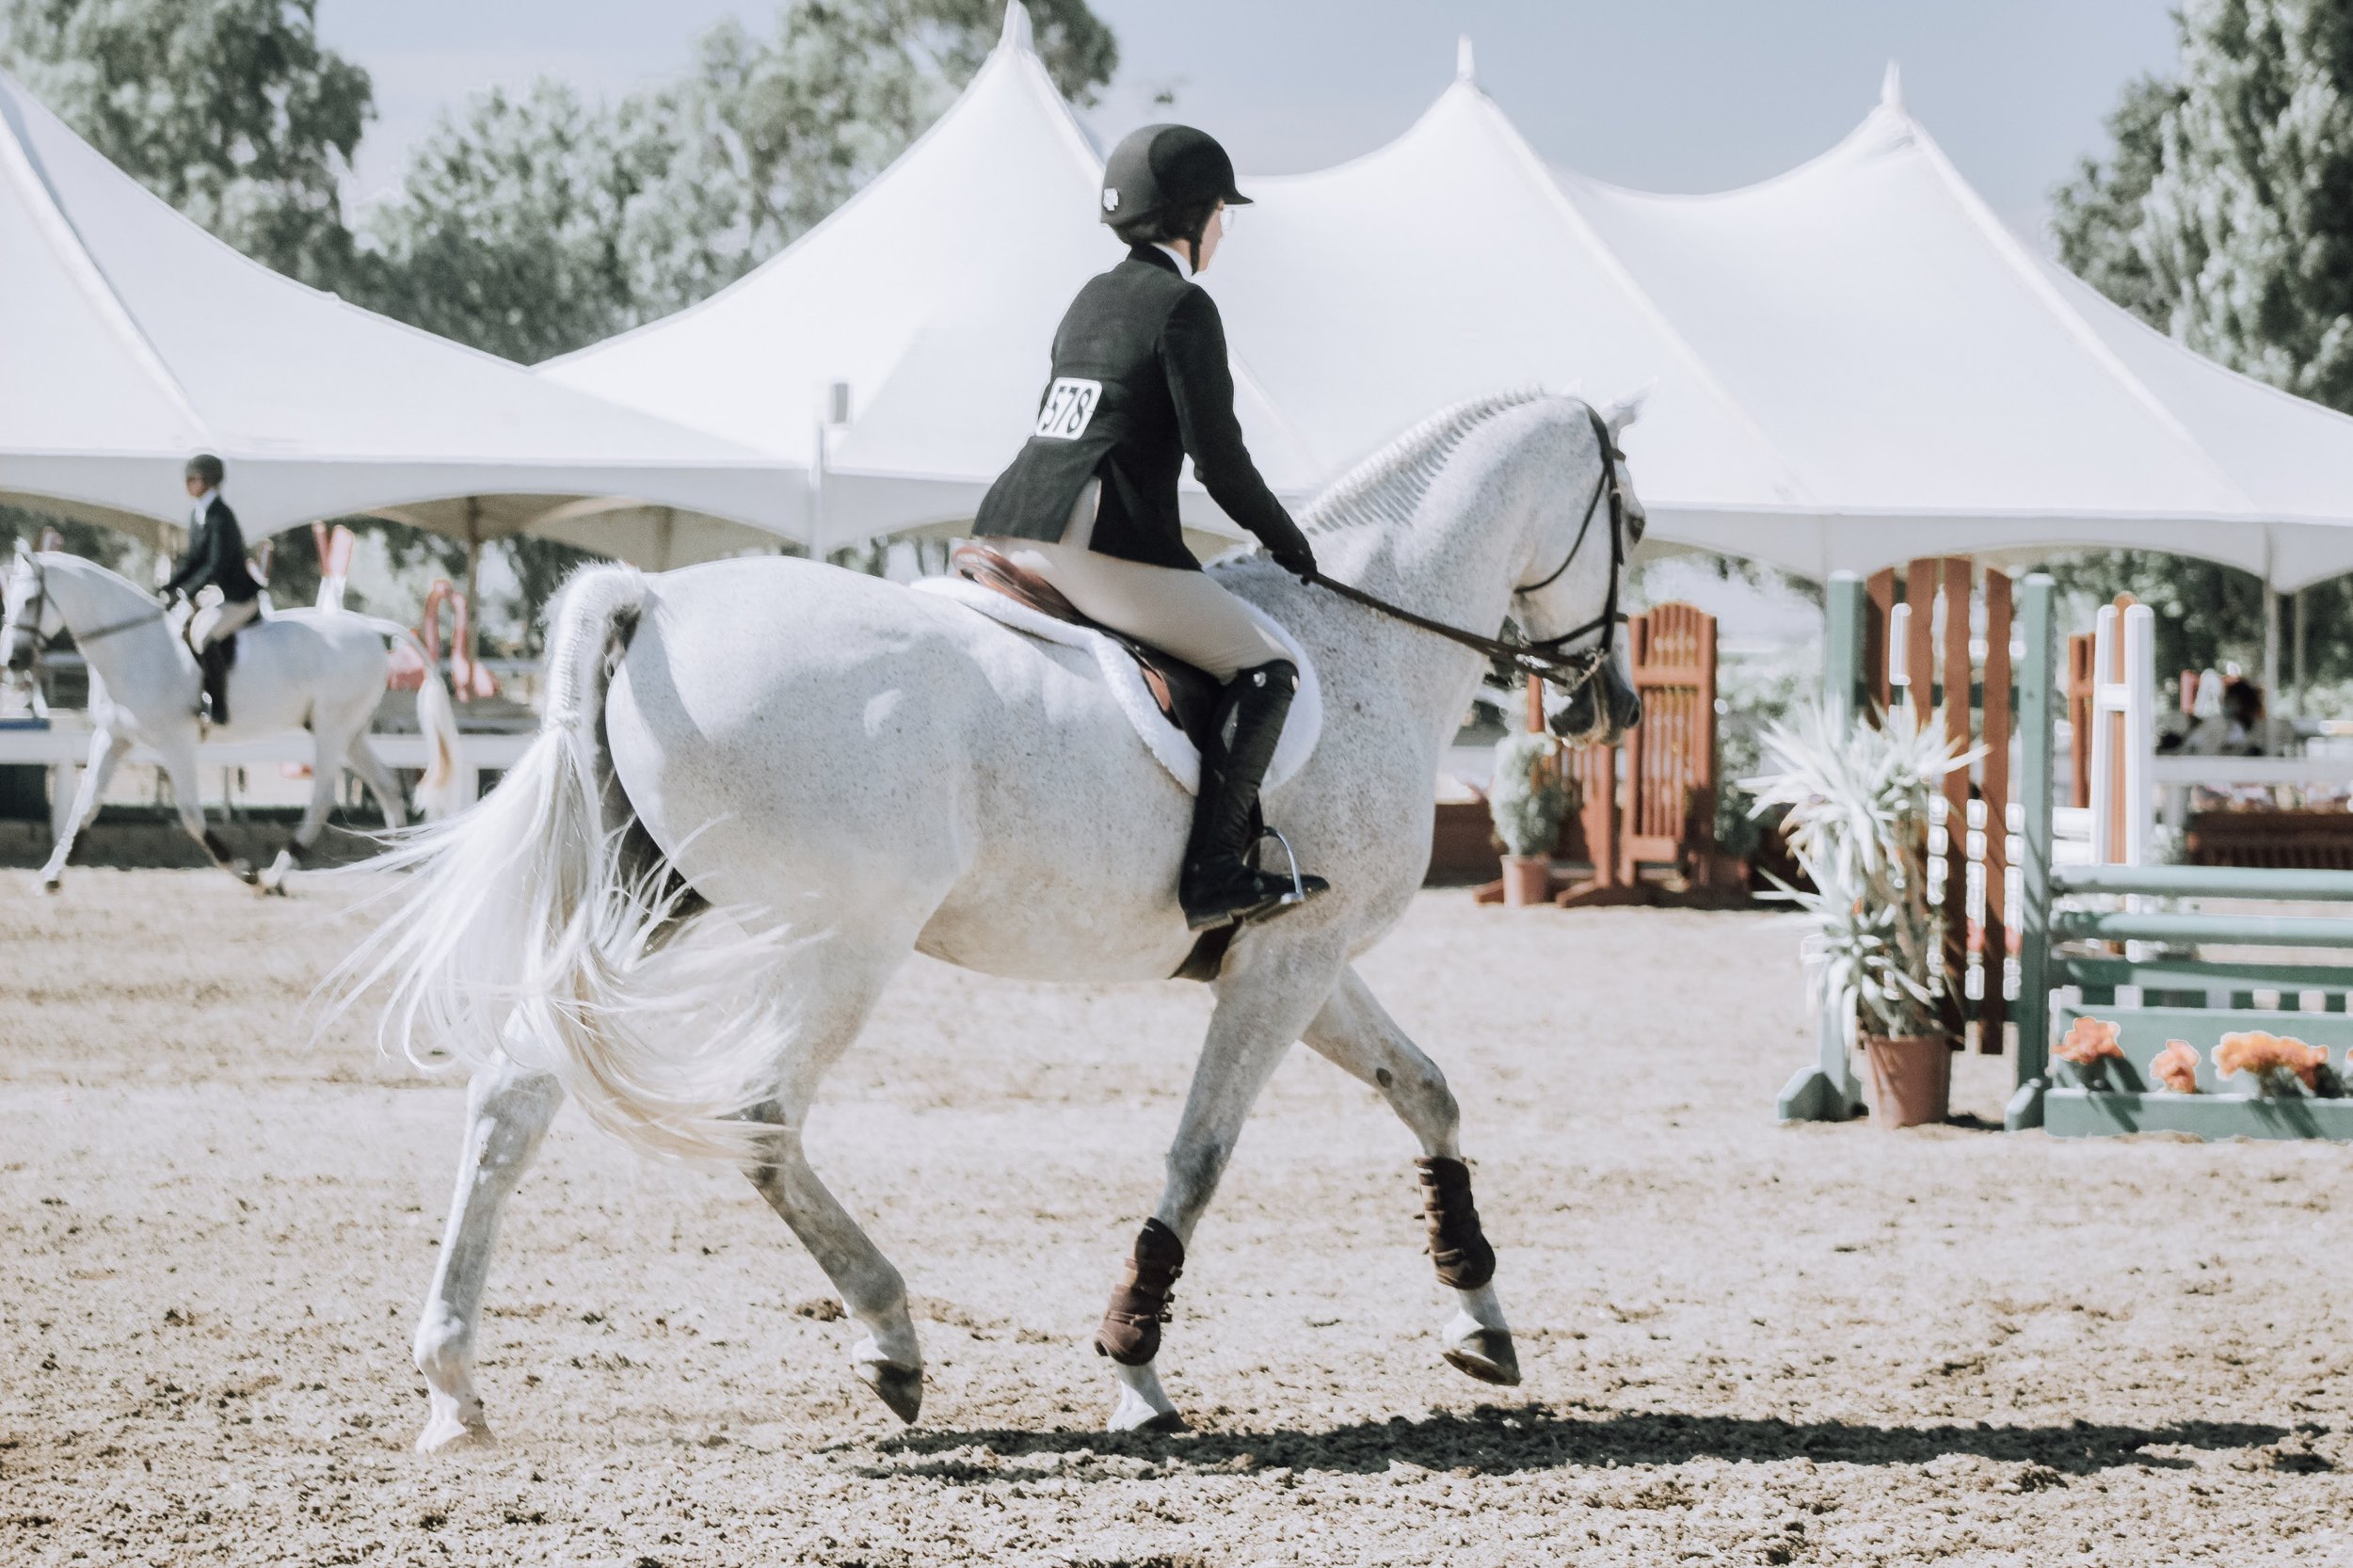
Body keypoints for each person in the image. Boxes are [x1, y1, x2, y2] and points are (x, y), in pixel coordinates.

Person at [973, 124, 1329, 932]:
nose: (1223, 232)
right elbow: (1221, 464)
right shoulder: (1183, 306)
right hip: (1093, 545)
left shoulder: (1088, 299)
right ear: (1194, 217)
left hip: (1008, 526)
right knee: (1268, 666)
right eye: (1220, 215)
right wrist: (1287, 541)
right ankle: (1211, 874)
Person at [162, 453, 263, 725]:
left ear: (208, 481)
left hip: (239, 597)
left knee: (204, 636)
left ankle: (217, 706)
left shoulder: (221, 516)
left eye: (193, 478)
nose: (187, 484)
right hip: (216, 596)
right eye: (187, 478)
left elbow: (215, 565)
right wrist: (166, 588)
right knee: (179, 627)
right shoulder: (198, 514)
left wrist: (186, 592)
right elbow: (194, 561)